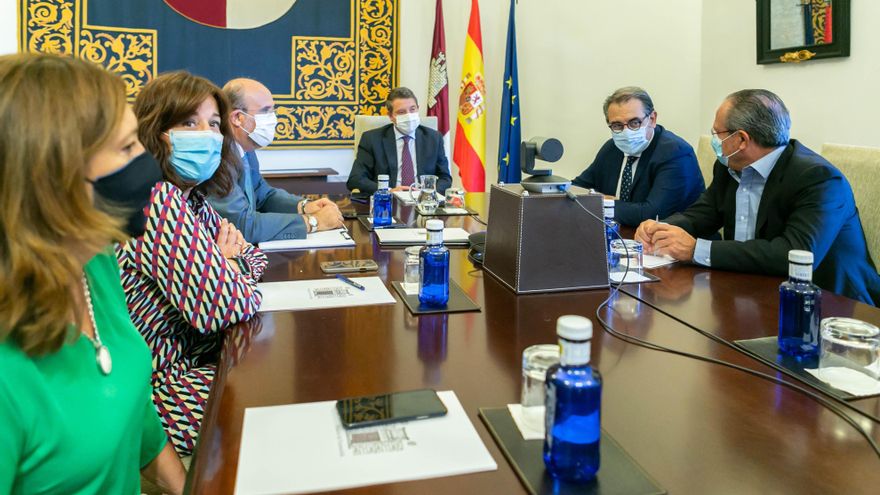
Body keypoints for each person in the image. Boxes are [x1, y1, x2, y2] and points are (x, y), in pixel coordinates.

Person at [0, 53, 185, 494]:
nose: (151, 165)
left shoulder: (96, 265)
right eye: (126, 149)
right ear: (49, 176)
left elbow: (137, 415)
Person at [125, 71, 268, 455]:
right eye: (189, 122)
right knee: (270, 398)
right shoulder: (155, 197)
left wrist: (226, 266)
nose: (206, 133)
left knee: (275, 383)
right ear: (157, 130)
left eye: (214, 124)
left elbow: (255, 260)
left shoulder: (192, 200)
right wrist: (228, 267)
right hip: (155, 389)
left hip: (197, 363)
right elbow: (225, 307)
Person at [636, 89, 880, 305]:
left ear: (741, 139)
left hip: (830, 307)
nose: (714, 140)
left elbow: (792, 254)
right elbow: (704, 213)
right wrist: (662, 228)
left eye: (716, 133)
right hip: (749, 292)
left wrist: (695, 249)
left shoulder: (819, 179)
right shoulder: (729, 166)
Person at [210, 78, 343, 243]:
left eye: (273, 111)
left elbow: (264, 196)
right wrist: (313, 222)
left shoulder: (245, 149)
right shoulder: (217, 157)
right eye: (265, 111)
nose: (273, 118)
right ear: (237, 118)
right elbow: (243, 224)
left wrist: (305, 206)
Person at [572, 86, 704, 227]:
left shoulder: (675, 153)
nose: (626, 132)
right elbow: (577, 189)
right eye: (617, 125)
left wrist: (603, 203)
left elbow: (651, 215)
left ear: (652, 119)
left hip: (673, 243)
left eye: (634, 123)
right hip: (621, 236)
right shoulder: (612, 148)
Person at [347, 86, 453, 194]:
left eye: (412, 109)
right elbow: (355, 179)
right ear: (391, 116)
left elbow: (445, 178)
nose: (409, 116)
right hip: (388, 201)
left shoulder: (434, 138)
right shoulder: (371, 139)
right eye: (402, 112)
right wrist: (388, 191)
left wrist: (427, 193)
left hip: (423, 202)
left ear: (418, 108)